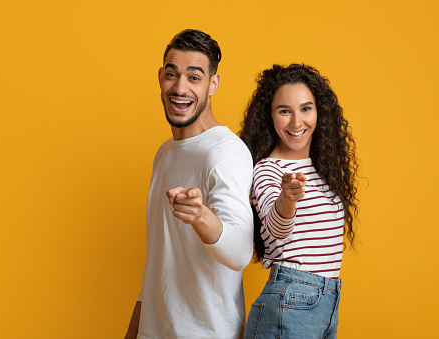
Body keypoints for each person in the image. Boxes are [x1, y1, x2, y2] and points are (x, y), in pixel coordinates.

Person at [124, 29, 254, 339]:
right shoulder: (165, 153)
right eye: (172, 74)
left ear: (213, 84)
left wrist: (201, 217)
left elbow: (239, 253)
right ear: (160, 77)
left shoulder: (225, 153)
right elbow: (159, 260)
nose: (180, 87)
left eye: (194, 77)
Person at [239, 64, 358, 339]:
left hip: (326, 302)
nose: (296, 123)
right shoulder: (268, 169)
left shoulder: (324, 169)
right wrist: (286, 199)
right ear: (270, 116)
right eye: (284, 111)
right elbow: (274, 233)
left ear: (319, 112)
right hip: (292, 299)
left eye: (306, 109)